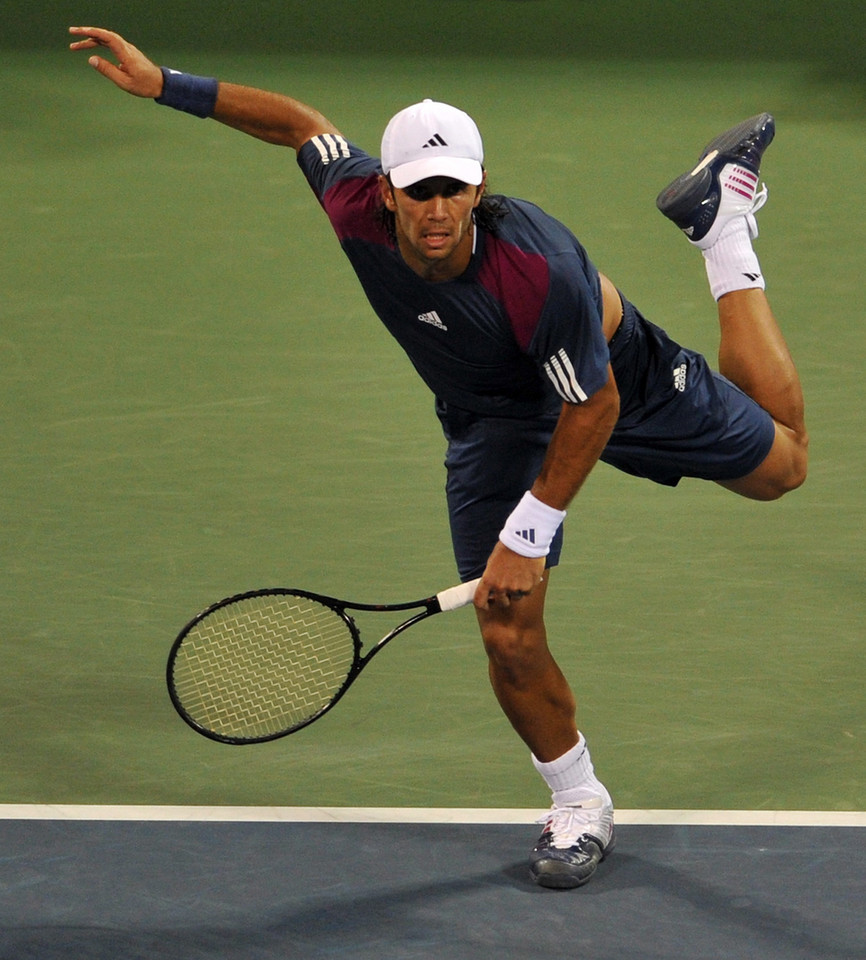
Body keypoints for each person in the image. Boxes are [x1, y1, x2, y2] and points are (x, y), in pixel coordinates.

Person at [69, 26, 808, 889]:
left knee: (781, 469)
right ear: (384, 192)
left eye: (452, 189)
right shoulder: (354, 209)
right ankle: (579, 802)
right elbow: (301, 127)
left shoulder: (539, 270)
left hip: (614, 378)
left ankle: (722, 227)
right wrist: (168, 85)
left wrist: (528, 534)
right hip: (493, 418)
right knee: (505, 626)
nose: (435, 209)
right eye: (418, 191)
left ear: (479, 186)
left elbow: (590, 405)